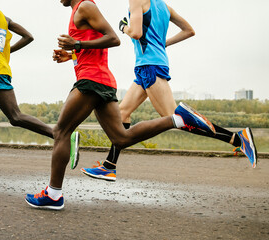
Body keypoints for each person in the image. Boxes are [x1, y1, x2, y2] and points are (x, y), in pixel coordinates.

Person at [25, 0, 216, 210]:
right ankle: (176, 119)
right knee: (121, 138)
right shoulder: (78, 11)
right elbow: (95, 46)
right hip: (101, 81)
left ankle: (53, 195)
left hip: (92, 80)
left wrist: (77, 45)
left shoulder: (84, 6)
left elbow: (113, 39)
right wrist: (71, 55)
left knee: (61, 131)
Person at [80, 0, 258, 181]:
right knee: (122, 113)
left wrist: (123, 27)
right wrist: (163, 44)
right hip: (149, 66)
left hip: (150, 66)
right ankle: (109, 166)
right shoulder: (164, 7)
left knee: (176, 118)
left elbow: (136, 32)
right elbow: (189, 30)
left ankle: (238, 139)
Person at [0, 0, 80, 178]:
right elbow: (28, 37)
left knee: (15, 117)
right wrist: (6, 52)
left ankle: (61, 135)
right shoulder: (3, 18)